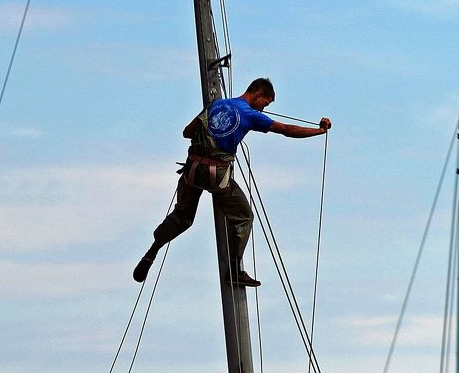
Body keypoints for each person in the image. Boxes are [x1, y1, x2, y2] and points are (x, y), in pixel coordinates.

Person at [133, 78, 331, 287]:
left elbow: (187, 132)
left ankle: (151, 252)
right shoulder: (249, 114)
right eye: (265, 103)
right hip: (216, 175)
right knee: (244, 216)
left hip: (191, 171)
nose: (263, 109)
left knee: (182, 217)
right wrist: (319, 131)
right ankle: (235, 270)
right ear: (258, 95)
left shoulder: (216, 105)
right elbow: (286, 129)